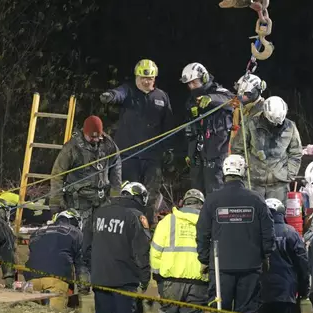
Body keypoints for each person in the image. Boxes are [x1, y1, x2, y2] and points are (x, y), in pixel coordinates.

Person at [196, 154, 275, 313]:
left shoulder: (213, 200)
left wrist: (205, 260)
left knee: (219, 310)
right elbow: (268, 234)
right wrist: (265, 255)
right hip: (250, 267)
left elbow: (202, 232)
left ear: (224, 172)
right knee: (246, 312)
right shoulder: (256, 200)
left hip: (220, 267)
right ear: (244, 172)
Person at [100, 59, 173, 225]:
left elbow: (168, 126)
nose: (146, 81)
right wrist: (110, 96)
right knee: (128, 193)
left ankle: (147, 228)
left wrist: (168, 149)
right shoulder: (129, 91)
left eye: (150, 78)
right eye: (142, 78)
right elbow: (119, 94)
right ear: (136, 77)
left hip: (152, 157)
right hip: (128, 155)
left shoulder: (161, 97)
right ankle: (126, 226)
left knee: (151, 195)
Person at [50, 115, 122, 253]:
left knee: (103, 240)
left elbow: (116, 165)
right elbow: (57, 174)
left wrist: (115, 193)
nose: (95, 140)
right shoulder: (72, 147)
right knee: (81, 241)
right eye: (91, 137)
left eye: (97, 137)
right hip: (79, 202)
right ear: (85, 133)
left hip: (102, 200)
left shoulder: (108, 144)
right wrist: (56, 202)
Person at [85, 181, 151, 313]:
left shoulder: (99, 212)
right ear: (139, 197)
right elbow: (141, 251)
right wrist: (145, 278)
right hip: (125, 281)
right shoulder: (136, 216)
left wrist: (93, 270)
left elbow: (86, 246)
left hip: (100, 278)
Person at [253, 198, 309, 313]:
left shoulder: (256, 234)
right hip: (286, 296)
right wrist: (304, 290)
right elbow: (302, 265)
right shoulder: (291, 233)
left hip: (260, 296)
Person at [150, 189, 208, 313]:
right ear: (201, 205)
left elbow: (155, 251)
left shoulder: (168, 221)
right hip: (198, 282)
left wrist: (158, 277)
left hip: (170, 281)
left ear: (183, 203)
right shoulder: (208, 223)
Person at [230, 96, 303, 204]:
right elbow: (238, 149)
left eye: (279, 122)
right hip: (253, 183)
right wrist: (244, 172)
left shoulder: (290, 127)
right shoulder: (250, 124)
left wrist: (288, 174)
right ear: (265, 114)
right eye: (273, 122)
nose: (276, 125)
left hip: (278, 184)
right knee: (252, 216)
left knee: (277, 217)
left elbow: (296, 153)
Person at [181, 62, 235, 196]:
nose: (192, 87)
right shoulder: (191, 101)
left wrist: (211, 99)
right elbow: (190, 128)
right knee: (196, 191)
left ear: (204, 78)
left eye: (194, 82)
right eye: (189, 84)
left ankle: (216, 216)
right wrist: (189, 152)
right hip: (197, 154)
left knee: (215, 190)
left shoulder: (220, 93)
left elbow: (232, 101)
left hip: (216, 152)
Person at [24, 209, 86, 311]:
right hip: (57, 278)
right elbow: (81, 263)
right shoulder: (76, 233)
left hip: (31, 279)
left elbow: (33, 254)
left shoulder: (37, 232)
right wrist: (84, 285)